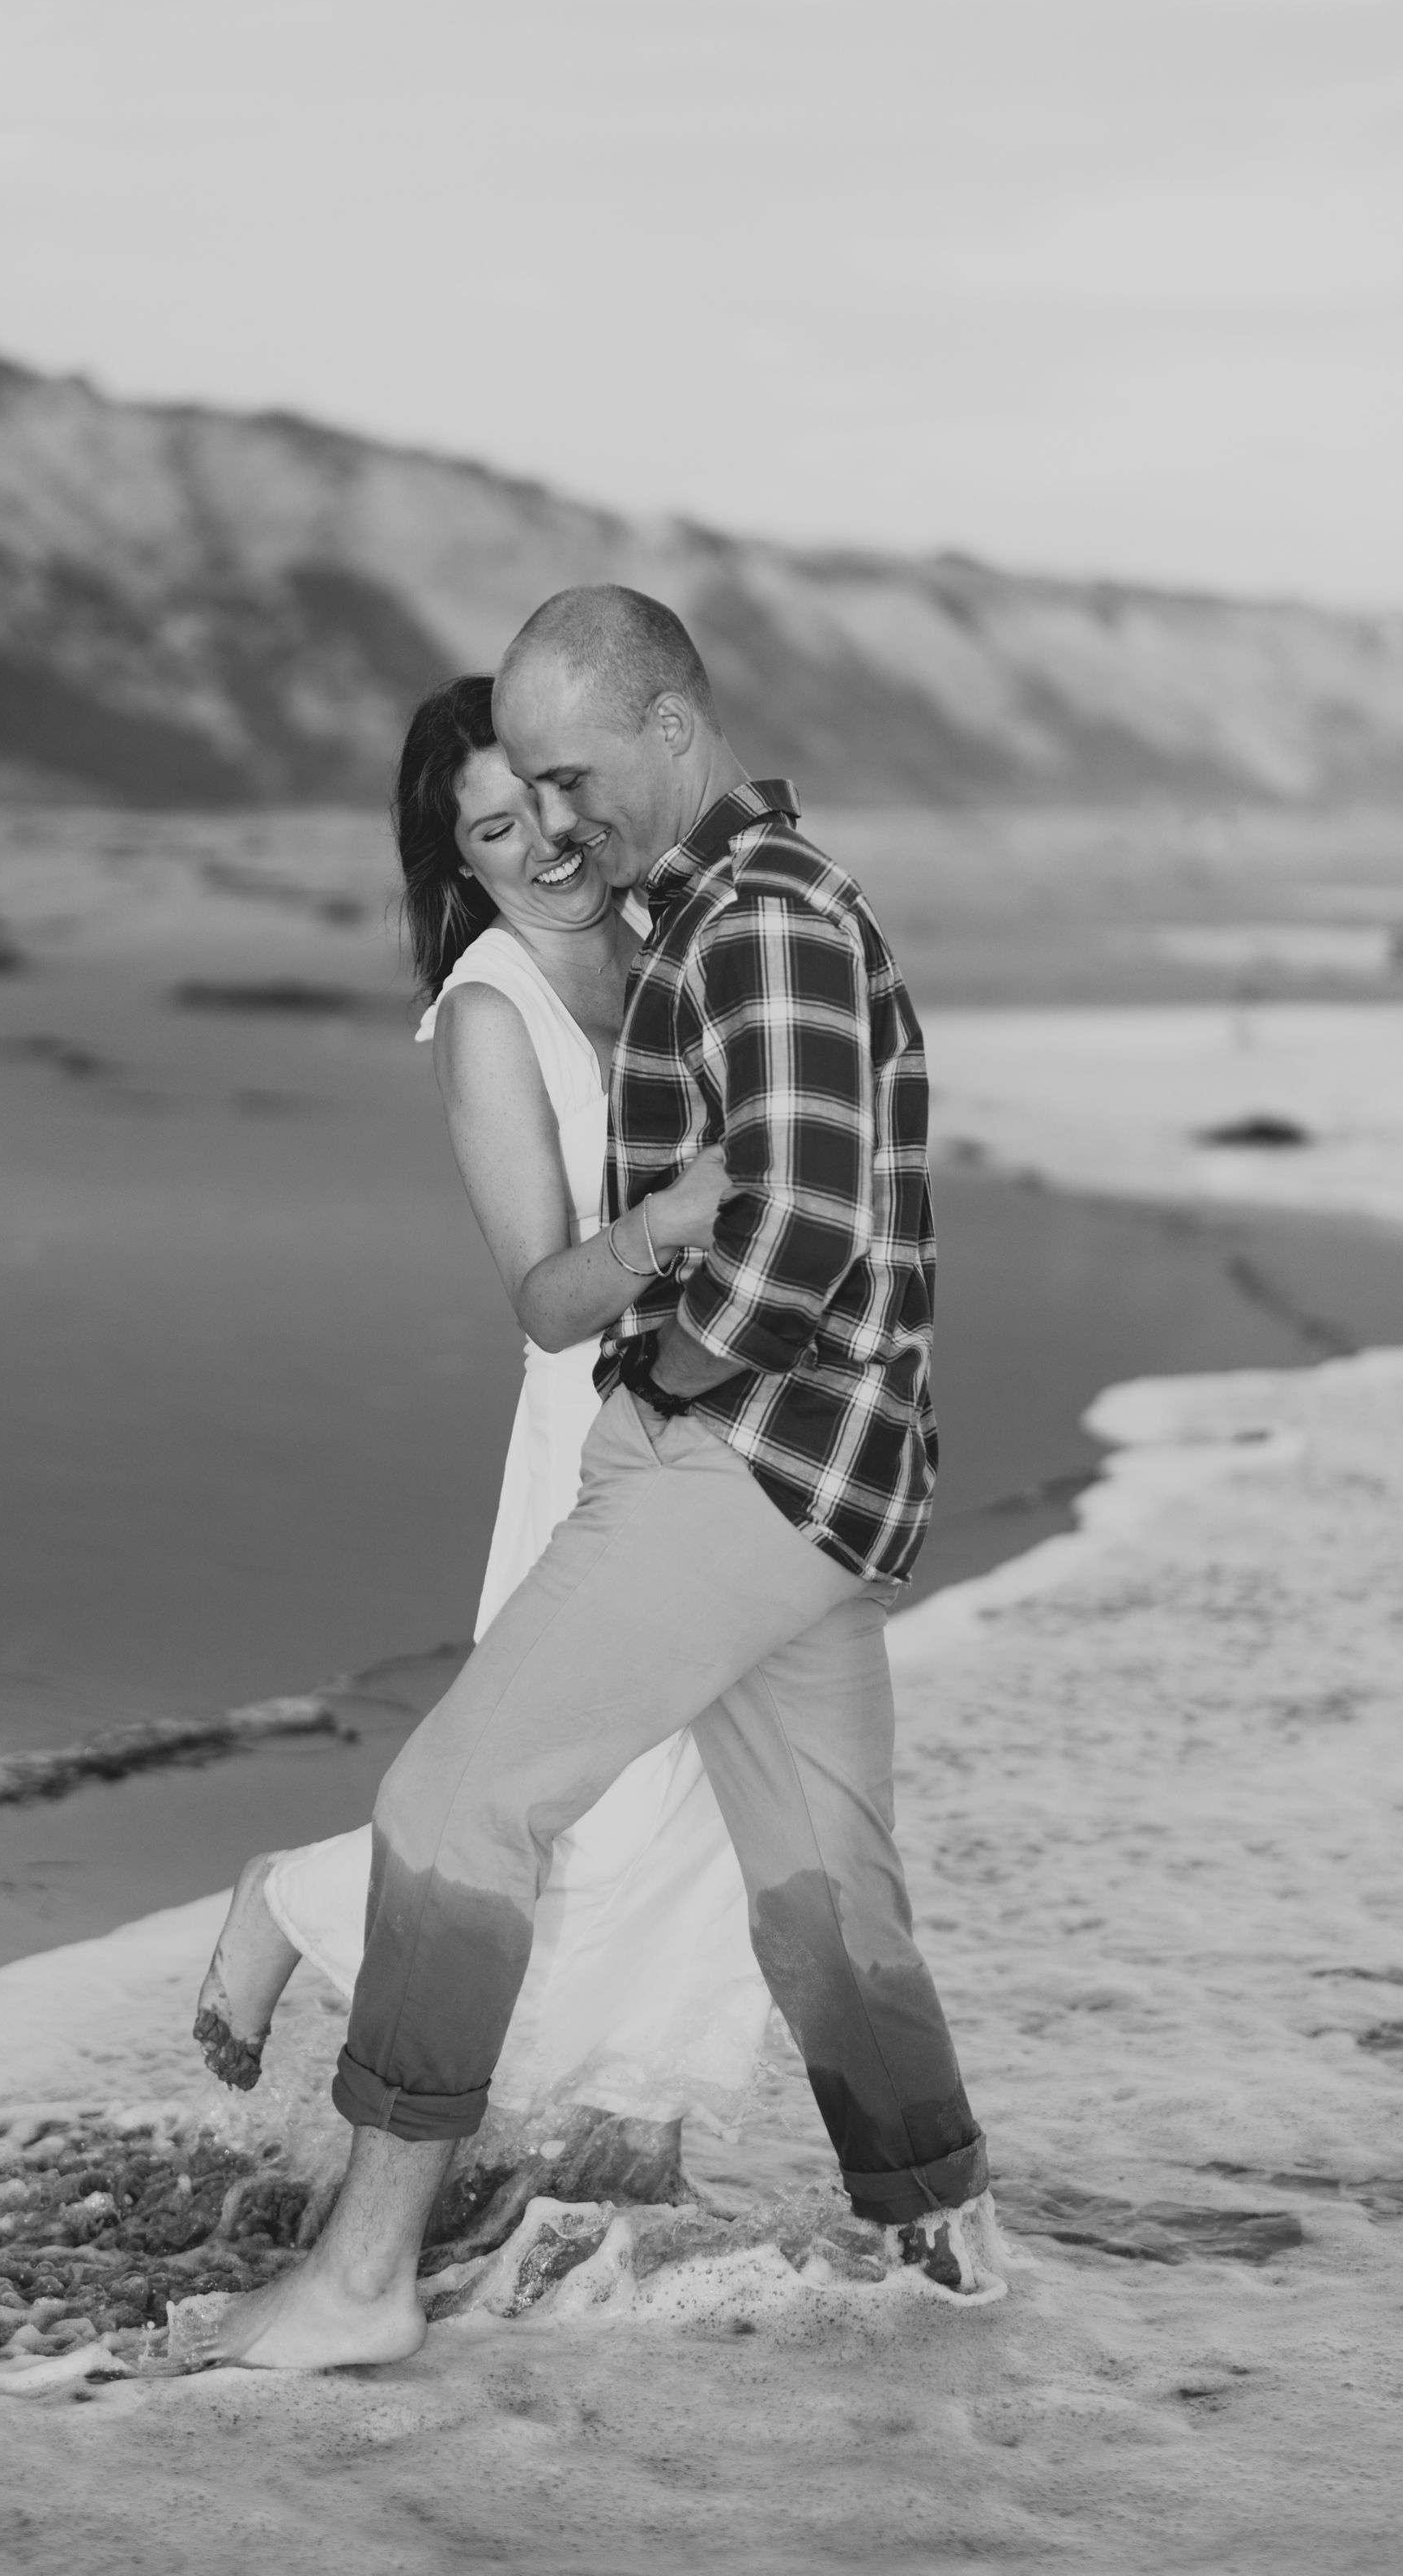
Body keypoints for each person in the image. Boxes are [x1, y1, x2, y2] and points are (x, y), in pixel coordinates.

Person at [204, 589, 996, 2373]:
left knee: (453, 1806)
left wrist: (668, 1382)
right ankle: (951, 2253)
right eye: (520, 801)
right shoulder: (718, 910)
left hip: (739, 1462)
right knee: (823, 1890)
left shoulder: (756, 920)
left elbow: (796, 1233)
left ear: (671, 728)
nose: (560, 821)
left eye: (570, 776)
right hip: (829, 1482)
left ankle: (362, 2279)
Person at [194, 677, 770, 2155]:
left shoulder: (672, 943)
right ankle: (295, 1899)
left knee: (704, 1805)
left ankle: (626, 2146)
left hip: (738, 1415)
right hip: (599, 1431)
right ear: (458, 862)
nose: (549, 843)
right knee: (578, 1802)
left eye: (554, 798)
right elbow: (547, 1300)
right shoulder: (492, 1014)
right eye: (498, 829)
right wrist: (669, 1223)